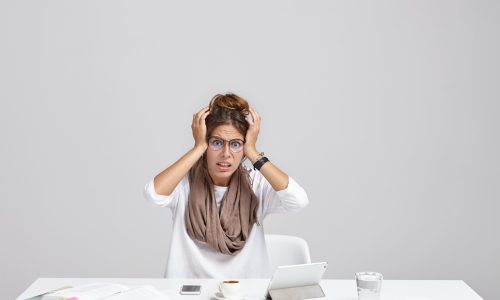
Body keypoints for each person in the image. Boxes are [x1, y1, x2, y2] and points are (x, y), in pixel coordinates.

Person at [143, 93, 309, 278]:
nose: (226, 154)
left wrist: (253, 153)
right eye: (216, 142)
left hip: (247, 294)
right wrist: (197, 148)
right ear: (205, 143)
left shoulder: (257, 184)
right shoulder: (184, 183)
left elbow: (298, 201)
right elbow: (153, 194)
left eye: (236, 144)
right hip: (189, 293)